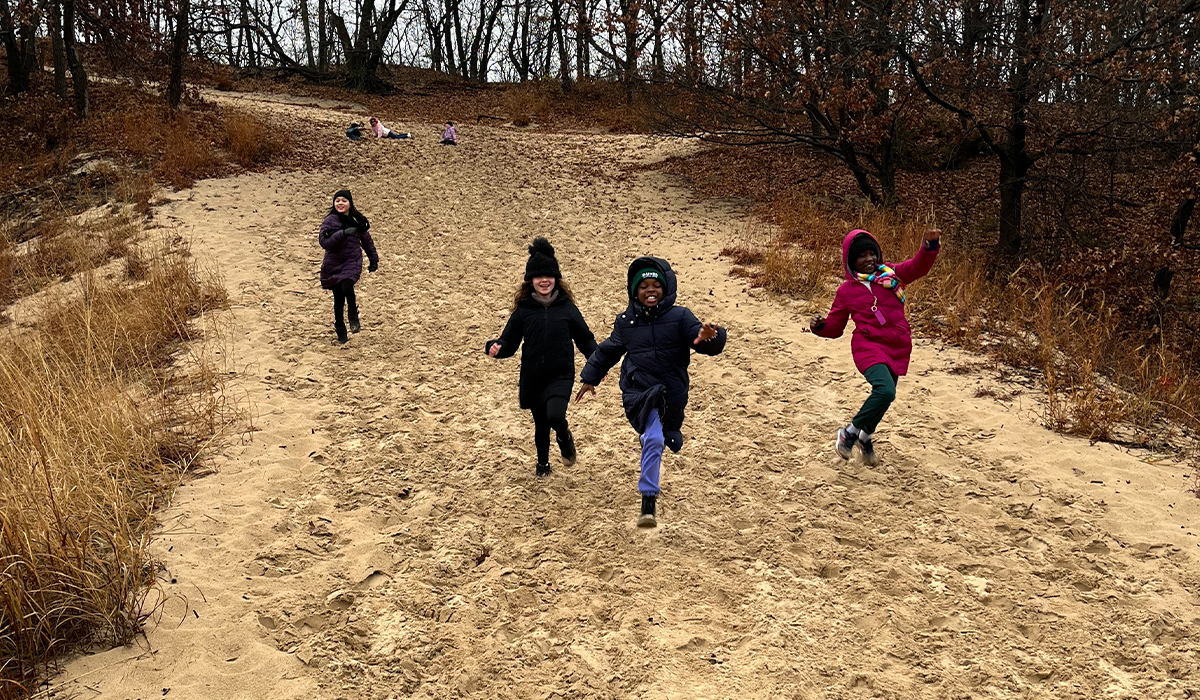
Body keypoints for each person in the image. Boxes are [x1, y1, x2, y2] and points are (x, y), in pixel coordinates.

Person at [576, 257, 726, 527]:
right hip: (640, 391)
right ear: (635, 291)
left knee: (666, 433)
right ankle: (648, 503)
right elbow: (608, 350)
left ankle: (670, 433)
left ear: (665, 288)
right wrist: (590, 378)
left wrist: (711, 337)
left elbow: (701, 340)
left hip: (672, 391)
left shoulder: (681, 317)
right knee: (653, 438)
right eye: (643, 286)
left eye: (655, 284)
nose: (650, 290)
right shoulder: (626, 322)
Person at [810, 228, 941, 465]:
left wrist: (929, 246)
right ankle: (848, 433)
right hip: (868, 346)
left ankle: (864, 437)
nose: (869, 259)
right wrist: (820, 327)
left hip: (897, 345)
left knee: (885, 398)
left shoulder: (891, 274)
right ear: (852, 262)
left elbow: (918, 267)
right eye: (862, 256)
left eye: (872, 253)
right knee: (885, 390)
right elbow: (836, 326)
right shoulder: (846, 291)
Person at [487, 239, 597, 478]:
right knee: (540, 424)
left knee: (555, 415)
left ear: (556, 278)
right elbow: (509, 342)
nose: (544, 280)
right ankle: (543, 465)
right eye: (538, 276)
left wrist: (596, 362)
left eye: (549, 275)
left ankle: (564, 435)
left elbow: (585, 339)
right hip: (533, 375)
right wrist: (495, 348)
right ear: (531, 281)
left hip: (561, 373)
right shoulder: (524, 310)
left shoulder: (567, 308)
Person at [319, 190, 379, 343]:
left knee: (347, 285)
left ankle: (353, 313)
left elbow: (367, 241)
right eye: (337, 200)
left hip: (352, 261)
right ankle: (340, 327)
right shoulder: (330, 221)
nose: (340, 203)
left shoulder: (357, 220)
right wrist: (343, 233)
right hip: (333, 264)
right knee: (338, 298)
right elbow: (324, 242)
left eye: (344, 200)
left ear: (350, 203)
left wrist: (373, 259)